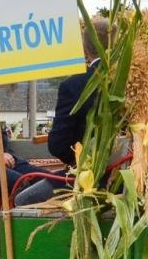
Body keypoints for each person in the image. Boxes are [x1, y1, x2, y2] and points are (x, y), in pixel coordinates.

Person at [14, 18, 109, 206]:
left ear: (85, 49)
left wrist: (76, 161)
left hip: (89, 177)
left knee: (23, 199)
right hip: (128, 176)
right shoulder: (137, 81)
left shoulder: (74, 85)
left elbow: (58, 144)